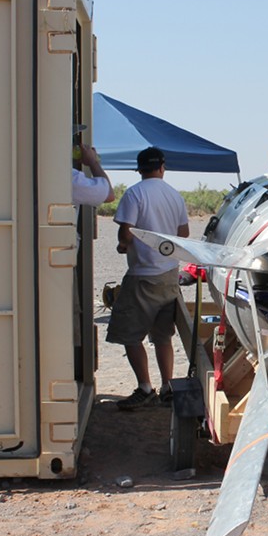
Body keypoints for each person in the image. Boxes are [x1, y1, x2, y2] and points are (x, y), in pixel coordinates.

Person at [107, 146, 190, 410]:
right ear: (162, 168)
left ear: (139, 169)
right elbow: (184, 233)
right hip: (169, 275)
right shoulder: (174, 195)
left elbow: (125, 233)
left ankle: (145, 388)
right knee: (163, 336)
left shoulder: (135, 193)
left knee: (131, 335)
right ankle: (167, 387)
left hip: (142, 275)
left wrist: (123, 246)